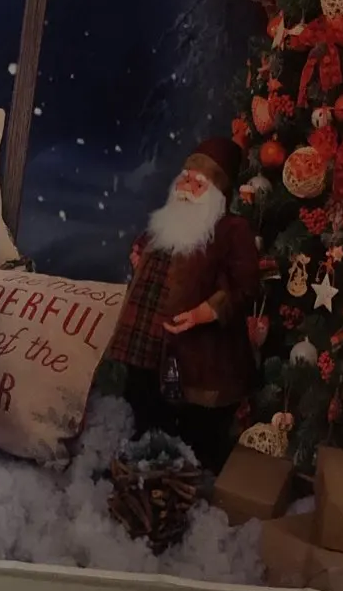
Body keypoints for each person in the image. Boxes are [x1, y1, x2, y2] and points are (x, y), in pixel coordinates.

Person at [97, 136, 258, 470]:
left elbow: (245, 285)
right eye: (185, 178)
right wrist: (138, 254)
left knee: (188, 419)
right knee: (144, 401)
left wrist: (207, 311)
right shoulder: (170, 218)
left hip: (197, 348)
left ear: (217, 194)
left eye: (198, 183)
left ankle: (181, 472)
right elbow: (149, 244)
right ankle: (143, 465)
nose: (187, 187)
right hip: (147, 338)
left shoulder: (230, 230)